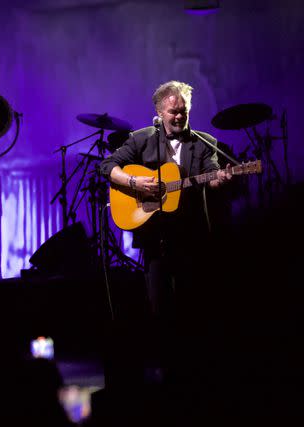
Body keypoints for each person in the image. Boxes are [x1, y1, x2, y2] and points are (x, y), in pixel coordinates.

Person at [98, 81, 232, 383]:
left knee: (192, 306)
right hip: (155, 240)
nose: (180, 117)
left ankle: (192, 374)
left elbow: (211, 172)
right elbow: (107, 166)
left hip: (191, 237)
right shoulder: (141, 139)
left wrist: (219, 179)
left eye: (184, 111)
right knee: (159, 308)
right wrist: (135, 183)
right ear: (159, 112)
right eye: (174, 112)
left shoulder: (203, 142)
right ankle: (165, 373)